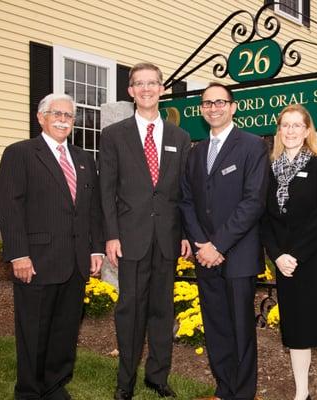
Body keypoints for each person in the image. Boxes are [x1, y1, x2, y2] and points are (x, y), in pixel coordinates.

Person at [0, 93, 104, 400]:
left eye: (69, 116)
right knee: (34, 331)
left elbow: (92, 209)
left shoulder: (83, 159)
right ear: (41, 118)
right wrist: (18, 254)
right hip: (37, 260)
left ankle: (55, 386)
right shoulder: (20, 153)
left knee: (65, 330)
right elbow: (10, 206)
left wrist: (95, 249)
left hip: (76, 262)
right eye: (56, 113)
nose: (62, 119)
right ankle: (29, 391)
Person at [98, 62, 192, 400]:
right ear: (131, 91)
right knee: (130, 311)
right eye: (140, 84)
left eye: (152, 83)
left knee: (162, 310)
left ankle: (157, 377)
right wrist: (110, 234)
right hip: (129, 239)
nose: (147, 89)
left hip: (167, 239)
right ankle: (125, 382)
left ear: (162, 88)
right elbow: (105, 190)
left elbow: (184, 192)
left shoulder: (180, 138)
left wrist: (184, 233)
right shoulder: (113, 135)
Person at [179, 82, 269, 400]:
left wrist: (218, 245)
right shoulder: (196, 152)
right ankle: (223, 389)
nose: (213, 108)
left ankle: (243, 394)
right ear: (202, 110)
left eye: (220, 102)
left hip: (238, 255)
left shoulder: (253, 146)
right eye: (207, 104)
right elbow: (187, 201)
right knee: (216, 326)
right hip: (205, 255)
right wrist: (202, 243)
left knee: (241, 330)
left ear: (233, 107)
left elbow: (253, 201)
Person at [261, 104, 317, 400]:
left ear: (307, 130)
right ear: (279, 131)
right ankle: (302, 393)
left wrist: (295, 255)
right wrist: (277, 256)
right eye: (285, 125)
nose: (290, 131)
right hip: (285, 263)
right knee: (297, 331)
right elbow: (264, 219)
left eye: (296, 125)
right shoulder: (268, 170)